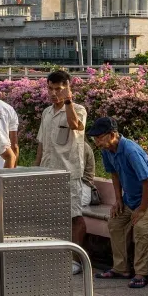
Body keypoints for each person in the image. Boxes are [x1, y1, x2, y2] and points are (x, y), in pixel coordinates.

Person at [89, 116, 148, 288]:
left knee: (141, 226)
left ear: (112, 134)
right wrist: (118, 200)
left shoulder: (130, 150)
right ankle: (121, 268)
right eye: (95, 139)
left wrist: (142, 209)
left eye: (99, 137)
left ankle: (141, 273)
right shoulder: (107, 150)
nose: (97, 142)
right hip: (130, 197)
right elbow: (114, 174)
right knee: (115, 222)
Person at [36, 69, 93, 274]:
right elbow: (41, 144)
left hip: (69, 173)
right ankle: (57, 256)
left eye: (58, 89)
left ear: (68, 88)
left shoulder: (78, 109)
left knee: (74, 216)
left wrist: (68, 101)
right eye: (50, 89)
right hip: (47, 172)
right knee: (52, 217)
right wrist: (36, 169)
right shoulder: (47, 112)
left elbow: (75, 125)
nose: (54, 93)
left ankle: (76, 260)